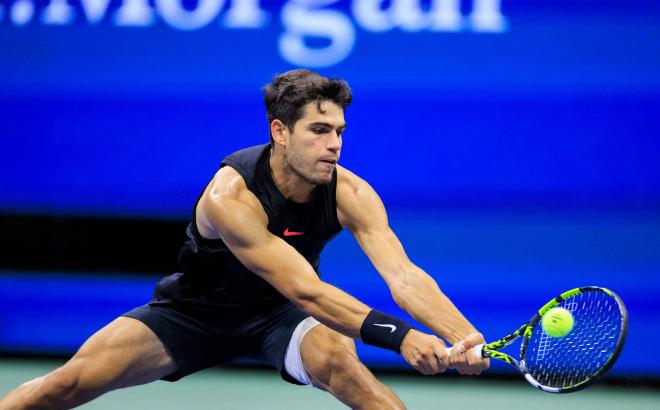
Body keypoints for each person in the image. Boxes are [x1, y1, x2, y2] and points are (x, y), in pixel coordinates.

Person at [0, 69, 489, 410]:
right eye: (319, 130)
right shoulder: (230, 196)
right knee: (63, 387)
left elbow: (402, 276)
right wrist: (401, 337)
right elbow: (308, 289)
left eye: (339, 131)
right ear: (280, 131)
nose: (334, 144)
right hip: (192, 313)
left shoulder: (352, 192)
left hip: (282, 316)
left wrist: (461, 336)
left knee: (347, 369)